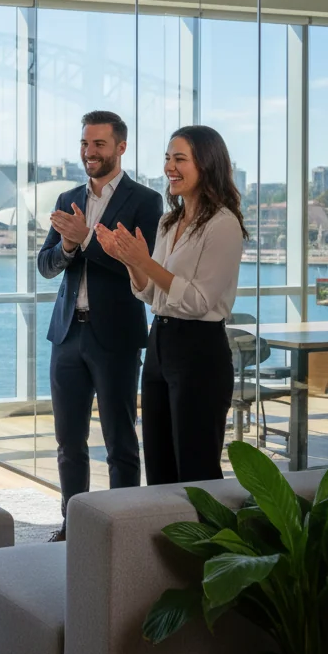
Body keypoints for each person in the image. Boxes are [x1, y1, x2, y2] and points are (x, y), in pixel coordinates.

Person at [96, 125, 245, 485]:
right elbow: (151, 295)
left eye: (180, 159)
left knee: (195, 468)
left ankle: (202, 540)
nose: (169, 167)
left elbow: (198, 301)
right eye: (167, 158)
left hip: (200, 349)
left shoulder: (224, 224)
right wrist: (128, 259)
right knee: (159, 467)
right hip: (160, 344)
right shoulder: (169, 221)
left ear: (207, 164)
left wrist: (144, 261)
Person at [38, 111, 163, 541]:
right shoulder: (67, 197)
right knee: (68, 443)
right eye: (85, 144)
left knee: (120, 442)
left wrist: (86, 239)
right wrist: (68, 247)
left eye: (99, 145)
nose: (89, 153)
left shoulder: (146, 201)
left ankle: (121, 530)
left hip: (116, 337)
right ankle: (73, 525)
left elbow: (138, 264)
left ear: (121, 147)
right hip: (67, 334)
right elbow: (46, 265)